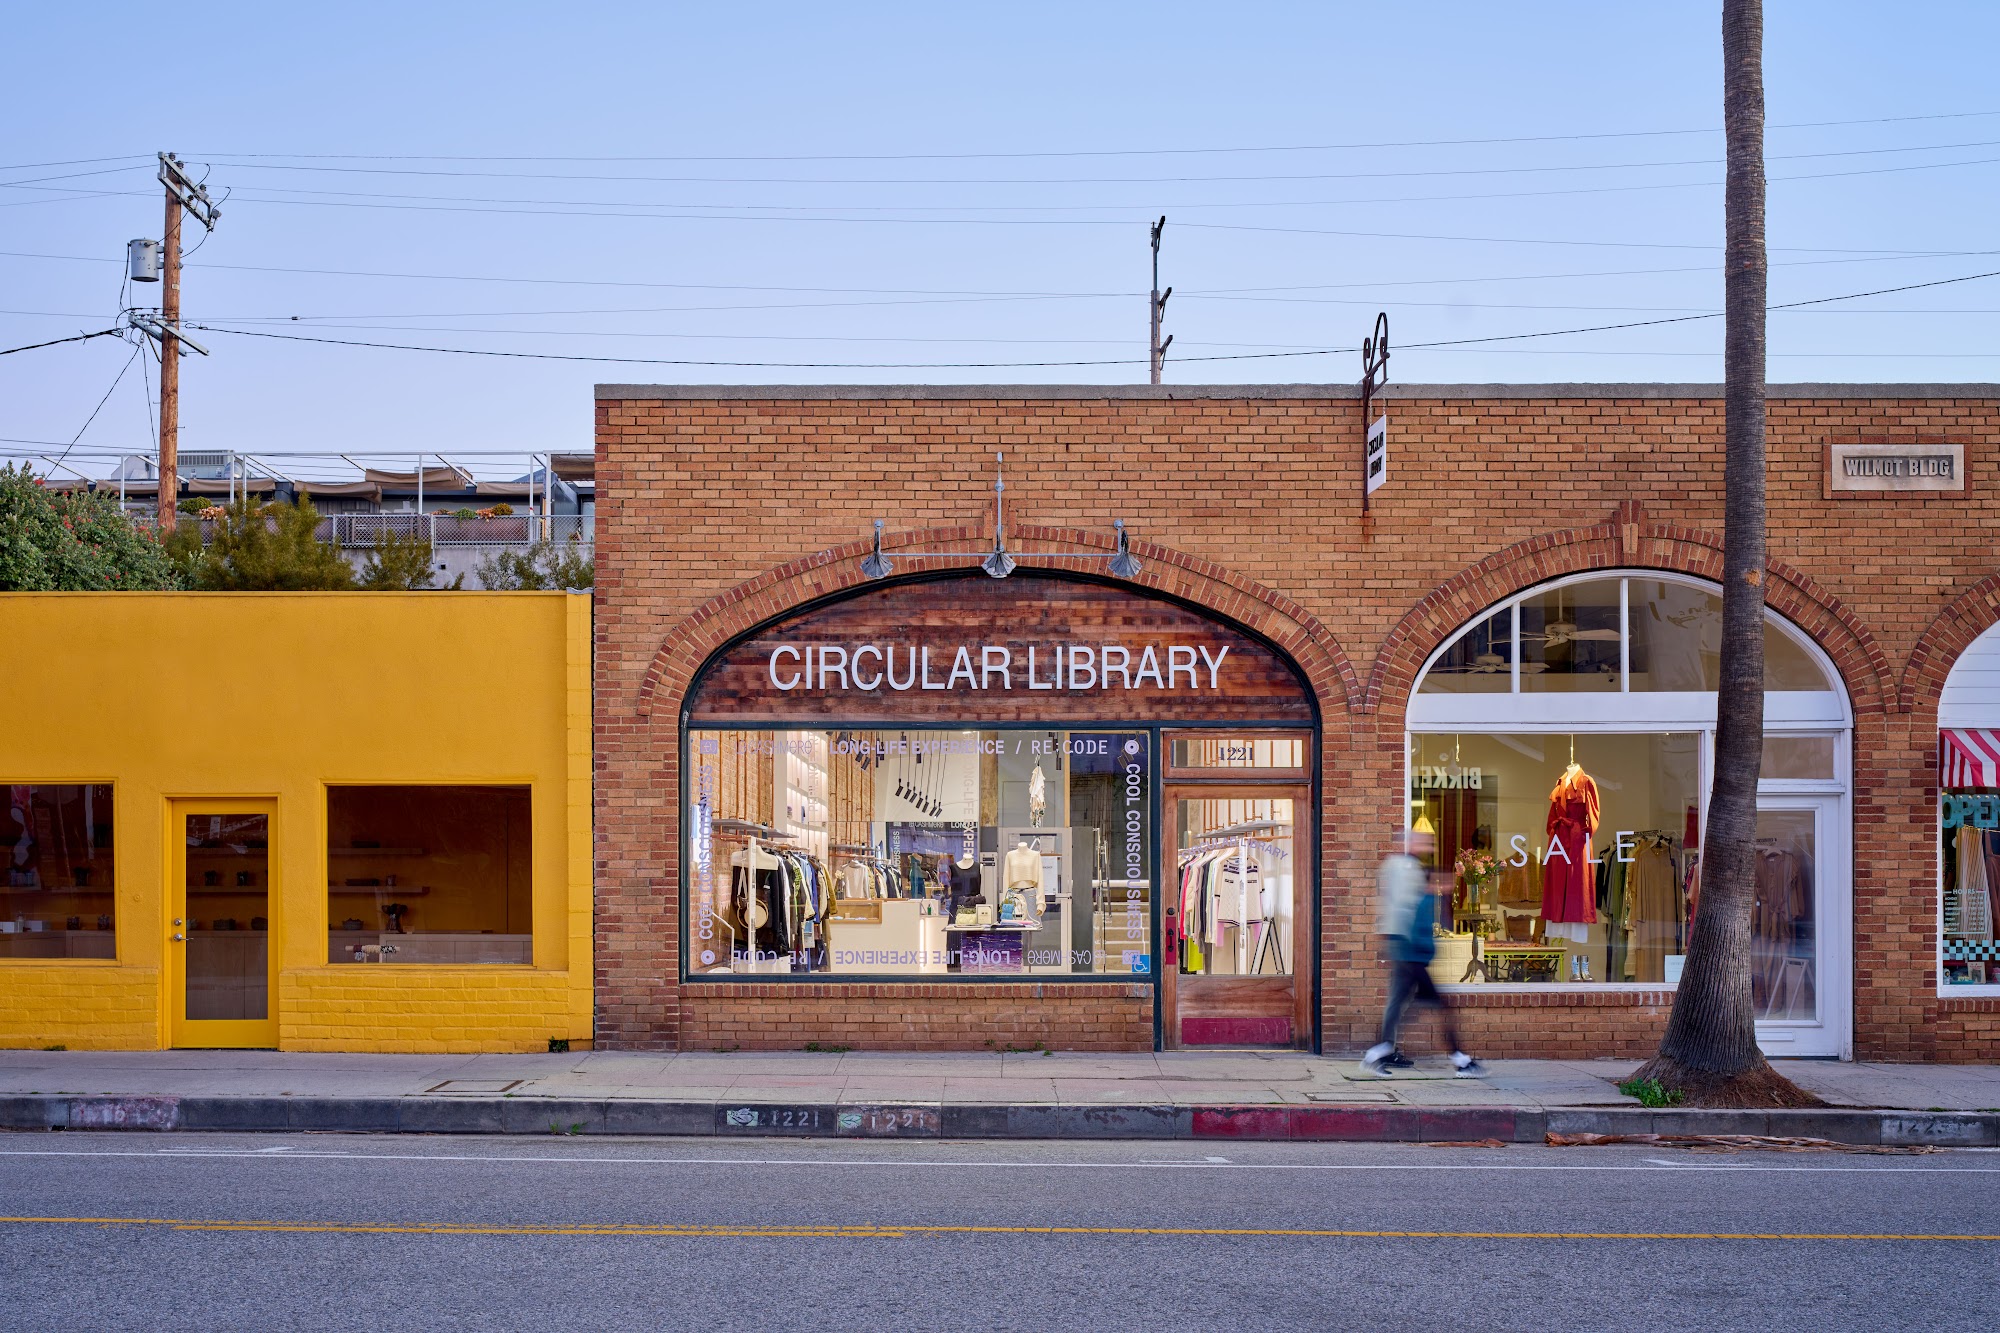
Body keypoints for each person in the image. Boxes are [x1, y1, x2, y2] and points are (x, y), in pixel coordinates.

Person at [1362, 828, 1484, 1079]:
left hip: (1408, 950)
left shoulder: (1407, 870)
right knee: (1436, 1005)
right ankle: (1460, 1060)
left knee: (1404, 1004)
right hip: (1410, 951)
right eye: (1425, 842)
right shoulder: (1406, 870)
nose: (1429, 847)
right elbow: (1406, 911)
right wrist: (1409, 945)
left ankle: (1380, 1052)